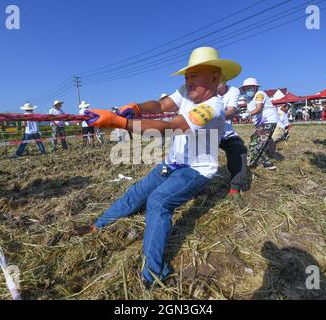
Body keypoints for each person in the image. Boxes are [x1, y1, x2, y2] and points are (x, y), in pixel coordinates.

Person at [74, 47, 241, 286]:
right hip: (172, 162)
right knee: (138, 191)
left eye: (195, 74)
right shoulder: (187, 92)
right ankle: (98, 226)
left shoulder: (212, 108)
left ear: (215, 77)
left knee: (159, 201)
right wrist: (138, 107)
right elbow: (162, 106)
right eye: (187, 75)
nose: (188, 80)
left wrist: (121, 122)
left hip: (196, 170)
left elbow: (172, 126)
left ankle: (152, 272)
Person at [240, 78, 279, 170]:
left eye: (249, 88)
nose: (247, 90)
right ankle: (268, 164)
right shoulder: (249, 98)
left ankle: (247, 164)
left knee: (256, 143)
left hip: (267, 121)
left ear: (254, 87)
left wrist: (248, 114)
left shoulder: (259, 94)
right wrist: (248, 116)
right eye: (245, 88)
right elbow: (252, 111)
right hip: (261, 123)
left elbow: (259, 107)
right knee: (259, 142)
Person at [217, 79, 248, 197]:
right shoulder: (204, 92)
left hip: (226, 132)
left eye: (220, 78)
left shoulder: (233, 90)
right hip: (208, 132)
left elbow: (231, 111)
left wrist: (212, 116)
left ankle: (234, 187)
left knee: (239, 150)